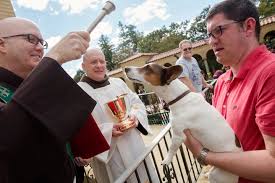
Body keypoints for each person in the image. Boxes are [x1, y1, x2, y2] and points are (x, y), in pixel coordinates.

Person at [0, 17, 108, 183]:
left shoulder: (34, 85)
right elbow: (7, 137)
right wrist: (55, 57)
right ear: (2, 44)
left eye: (42, 43)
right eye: (31, 39)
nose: (40, 48)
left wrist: (75, 150)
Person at [183, 0, 275, 183]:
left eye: (219, 30)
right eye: (209, 34)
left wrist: (203, 155)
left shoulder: (270, 73)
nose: (211, 41)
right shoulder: (222, 82)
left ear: (248, 26)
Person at [77, 48, 158, 183]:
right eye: (93, 62)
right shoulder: (78, 92)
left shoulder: (118, 83)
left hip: (134, 146)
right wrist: (108, 131)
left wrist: (135, 117)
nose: (99, 65)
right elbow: (79, 126)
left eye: (102, 61)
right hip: (109, 155)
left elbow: (136, 104)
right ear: (83, 66)